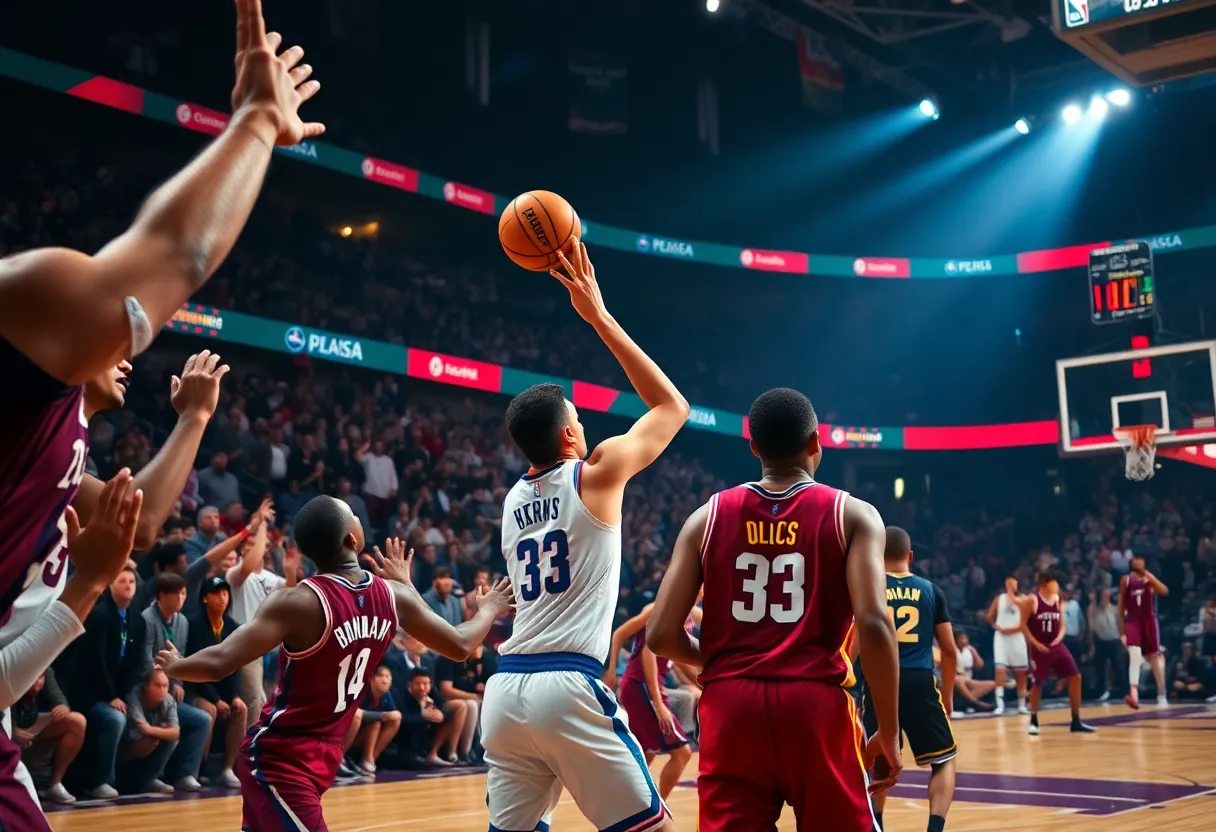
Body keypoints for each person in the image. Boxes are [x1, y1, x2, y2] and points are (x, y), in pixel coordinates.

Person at [0, 0, 322, 630]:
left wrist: (196, 417)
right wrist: (257, 122)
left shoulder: (60, 432)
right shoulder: (23, 299)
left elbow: (140, 523)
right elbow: (176, 253)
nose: (127, 355)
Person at [481, 240, 689, 832]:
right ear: (572, 436)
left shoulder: (511, 500)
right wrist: (597, 315)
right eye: (578, 417)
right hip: (566, 684)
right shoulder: (595, 475)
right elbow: (672, 406)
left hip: (505, 692)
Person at [156, 496, 512, 831]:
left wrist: (179, 665)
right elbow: (461, 643)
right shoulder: (386, 596)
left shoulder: (301, 601)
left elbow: (219, 661)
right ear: (351, 539)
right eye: (354, 516)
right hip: (280, 758)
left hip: (320, 751)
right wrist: (488, 609)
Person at [647, 387, 901, 832]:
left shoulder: (706, 517)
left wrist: (731, 663)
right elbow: (875, 624)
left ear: (754, 447)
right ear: (816, 442)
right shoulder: (855, 515)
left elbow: (660, 635)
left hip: (730, 709)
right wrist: (891, 731)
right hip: (815, 706)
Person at [853, 527, 957, 832]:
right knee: (944, 761)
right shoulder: (931, 590)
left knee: (879, 759)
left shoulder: (869, 587)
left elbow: (855, 641)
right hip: (921, 680)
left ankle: (878, 825)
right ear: (910, 556)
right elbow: (949, 650)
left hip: (879, 681)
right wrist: (947, 693)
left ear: (878, 554)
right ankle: (934, 829)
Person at [605, 603, 694, 801]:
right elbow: (624, 636)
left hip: (647, 686)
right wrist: (612, 670)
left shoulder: (691, 614)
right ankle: (659, 811)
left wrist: (704, 684)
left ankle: (626, 803)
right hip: (641, 686)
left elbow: (679, 660)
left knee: (647, 752)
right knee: (682, 753)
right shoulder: (660, 609)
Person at [139, 572, 210, 791]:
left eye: (184, 593)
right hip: (147, 691)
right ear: (162, 595)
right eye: (177, 593)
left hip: (169, 690)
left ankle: (184, 773)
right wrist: (166, 683)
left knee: (202, 720)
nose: (182, 598)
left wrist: (178, 683)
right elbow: (145, 660)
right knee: (169, 725)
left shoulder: (183, 621)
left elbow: (180, 657)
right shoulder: (146, 618)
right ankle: (150, 776)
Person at [184, 576, 246, 789]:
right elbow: (197, 668)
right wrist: (217, 700)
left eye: (225, 593)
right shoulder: (193, 624)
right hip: (195, 688)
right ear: (204, 598)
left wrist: (234, 696)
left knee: (241, 708)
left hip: (222, 692)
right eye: (216, 593)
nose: (222, 598)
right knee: (209, 710)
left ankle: (227, 769)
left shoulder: (233, 627)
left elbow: (235, 667)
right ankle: (197, 770)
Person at [1019, 571, 1096, 735]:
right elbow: (1023, 625)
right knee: (1038, 683)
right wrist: (1035, 644)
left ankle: (1076, 720)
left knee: (1076, 677)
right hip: (1039, 647)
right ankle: (1033, 720)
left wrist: (1059, 638)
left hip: (1056, 646)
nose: (1057, 585)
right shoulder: (1032, 600)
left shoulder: (1057, 599)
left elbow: (1062, 625)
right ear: (1044, 583)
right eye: (1054, 582)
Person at [8, 672, 85, 805]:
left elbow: (60, 700)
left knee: (77, 721)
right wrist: (13, 732)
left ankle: (54, 784)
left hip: (30, 725)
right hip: (6, 729)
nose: (37, 682)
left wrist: (62, 707)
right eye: (33, 677)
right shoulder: (9, 667)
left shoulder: (44, 665)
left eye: (40, 677)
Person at [118, 669, 181, 794]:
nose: (162, 690)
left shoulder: (168, 699)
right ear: (146, 687)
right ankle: (120, 780)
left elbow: (175, 733)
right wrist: (160, 730)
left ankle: (150, 779)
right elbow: (142, 728)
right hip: (128, 742)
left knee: (171, 740)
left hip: (149, 738)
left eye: (165, 686)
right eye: (157, 686)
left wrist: (152, 730)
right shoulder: (134, 695)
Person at [1119, 555, 1169, 709]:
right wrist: (1122, 633)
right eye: (1135, 559)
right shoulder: (1126, 580)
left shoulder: (1149, 579)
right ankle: (1134, 693)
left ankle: (1162, 693)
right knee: (1134, 654)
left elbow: (1164, 591)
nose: (1137, 561)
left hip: (1149, 621)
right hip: (1133, 621)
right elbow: (1121, 608)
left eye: (1140, 559)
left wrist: (1149, 575)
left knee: (1154, 658)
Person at [985, 575, 1030, 714]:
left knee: (1020, 673)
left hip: (1017, 637)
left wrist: (1011, 629)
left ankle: (1022, 704)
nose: (1011, 585)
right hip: (1001, 638)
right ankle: (1000, 704)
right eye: (1009, 582)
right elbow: (989, 616)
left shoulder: (1024, 600)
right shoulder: (999, 599)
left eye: (1013, 582)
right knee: (1000, 670)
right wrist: (996, 626)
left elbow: (1024, 623)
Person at [347, 666, 402, 775]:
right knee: (369, 720)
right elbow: (353, 713)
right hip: (348, 731)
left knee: (377, 723)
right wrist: (383, 715)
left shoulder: (386, 694)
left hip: (364, 735)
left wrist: (383, 716)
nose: (384, 680)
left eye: (387, 677)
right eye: (380, 676)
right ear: (372, 678)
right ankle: (339, 760)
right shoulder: (361, 689)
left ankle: (369, 760)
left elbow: (395, 715)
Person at [1088, 587, 1125, 702]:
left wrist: (1124, 638)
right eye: (1103, 594)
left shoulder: (1115, 609)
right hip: (1101, 642)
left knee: (1120, 667)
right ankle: (1102, 691)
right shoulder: (1094, 610)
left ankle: (1125, 692)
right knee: (1101, 669)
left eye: (1107, 594)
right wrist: (1092, 643)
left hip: (1115, 641)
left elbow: (1121, 624)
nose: (1105, 596)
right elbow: (1092, 629)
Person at [951, 631, 996, 715]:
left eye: (965, 638)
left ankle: (968, 704)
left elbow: (980, 665)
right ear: (955, 639)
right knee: (958, 679)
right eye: (961, 638)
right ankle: (976, 704)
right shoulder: (951, 649)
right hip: (955, 679)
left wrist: (974, 653)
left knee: (992, 684)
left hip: (969, 680)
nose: (964, 640)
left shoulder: (969, 650)